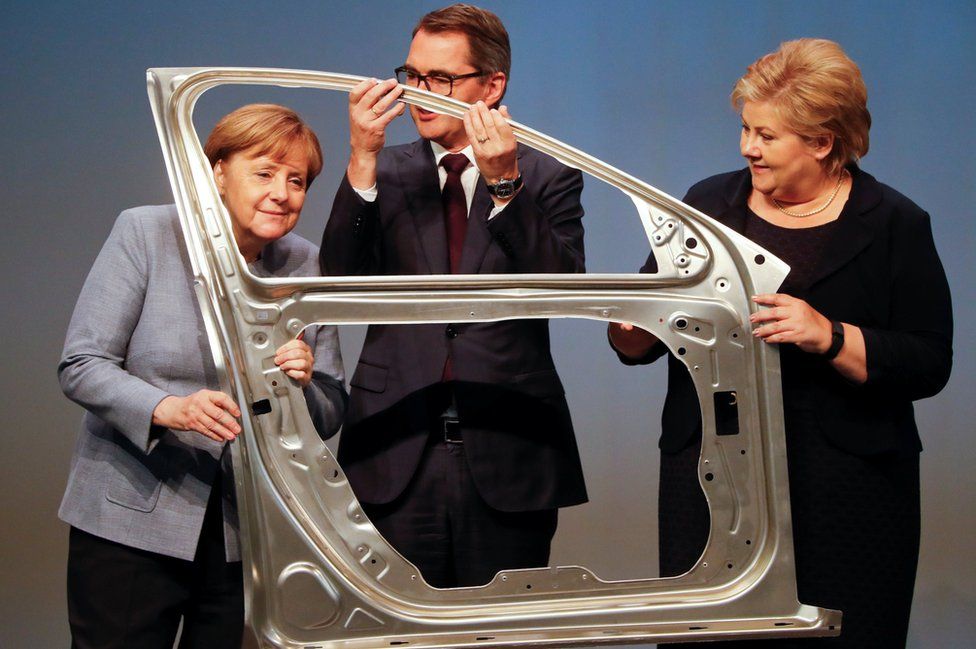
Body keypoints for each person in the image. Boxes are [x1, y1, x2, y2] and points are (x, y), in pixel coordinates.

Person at [609, 39, 952, 647]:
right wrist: (634, 324)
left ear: (822, 142)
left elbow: (929, 363)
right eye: (745, 128)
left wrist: (830, 335)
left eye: (767, 136)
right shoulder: (709, 204)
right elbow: (639, 340)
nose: (747, 148)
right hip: (715, 484)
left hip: (850, 491)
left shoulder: (897, 223)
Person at [58, 104, 347, 648]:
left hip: (247, 531)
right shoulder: (147, 231)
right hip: (131, 519)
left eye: (297, 180)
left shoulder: (304, 264)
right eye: (263, 173)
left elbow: (331, 407)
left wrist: (305, 386)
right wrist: (167, 409)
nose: (282, 193)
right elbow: (82, 364)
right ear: (216, 170)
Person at [321, 3, 587, 589]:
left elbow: (561, 288)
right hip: (393, 444)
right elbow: (337, 282)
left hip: (508, 446)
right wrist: (362, 156)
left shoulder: (547, 174)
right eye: (411, 75)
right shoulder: (383, 171)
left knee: (495, 631)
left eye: (440, 80)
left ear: (493, 86)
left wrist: (504, 184)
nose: (418, 93)